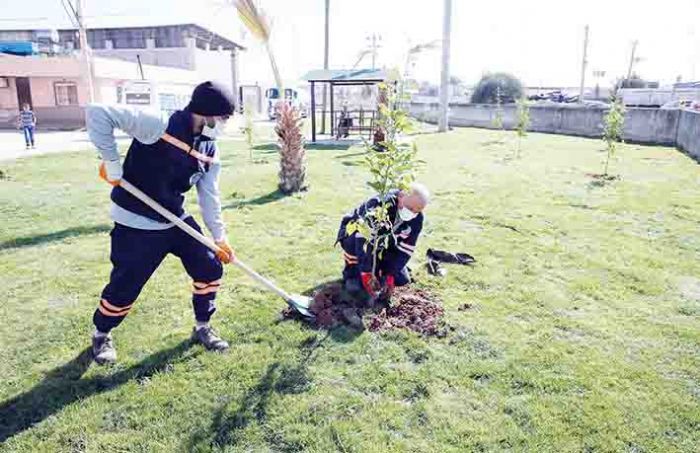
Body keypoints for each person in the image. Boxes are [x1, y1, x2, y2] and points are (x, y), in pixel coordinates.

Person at [86, 81, 236, 365]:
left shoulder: (210, 148)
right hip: (135, 220)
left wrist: (219, 238)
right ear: (206, 113)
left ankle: (203, 327)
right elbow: (98, 112)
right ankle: (101, 333)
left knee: (209, 264)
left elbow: (209, 197)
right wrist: (112, 161)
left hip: (173, 218)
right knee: (125, 285)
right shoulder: (159, 123)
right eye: (223, 118)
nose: (225, 124)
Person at [336, 183, 429, 301]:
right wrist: (366, 272)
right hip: (356, 237)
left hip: (383, 243)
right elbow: (363, 242)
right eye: (410, 208)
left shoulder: (416, 218)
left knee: (402, 280)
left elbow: (406, 248)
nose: (413, 213)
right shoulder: (378, 206)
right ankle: (352, 271)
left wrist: (390, 273)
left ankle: (382, 268)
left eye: (417, 211)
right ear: (401, 196)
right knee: (356, 287)